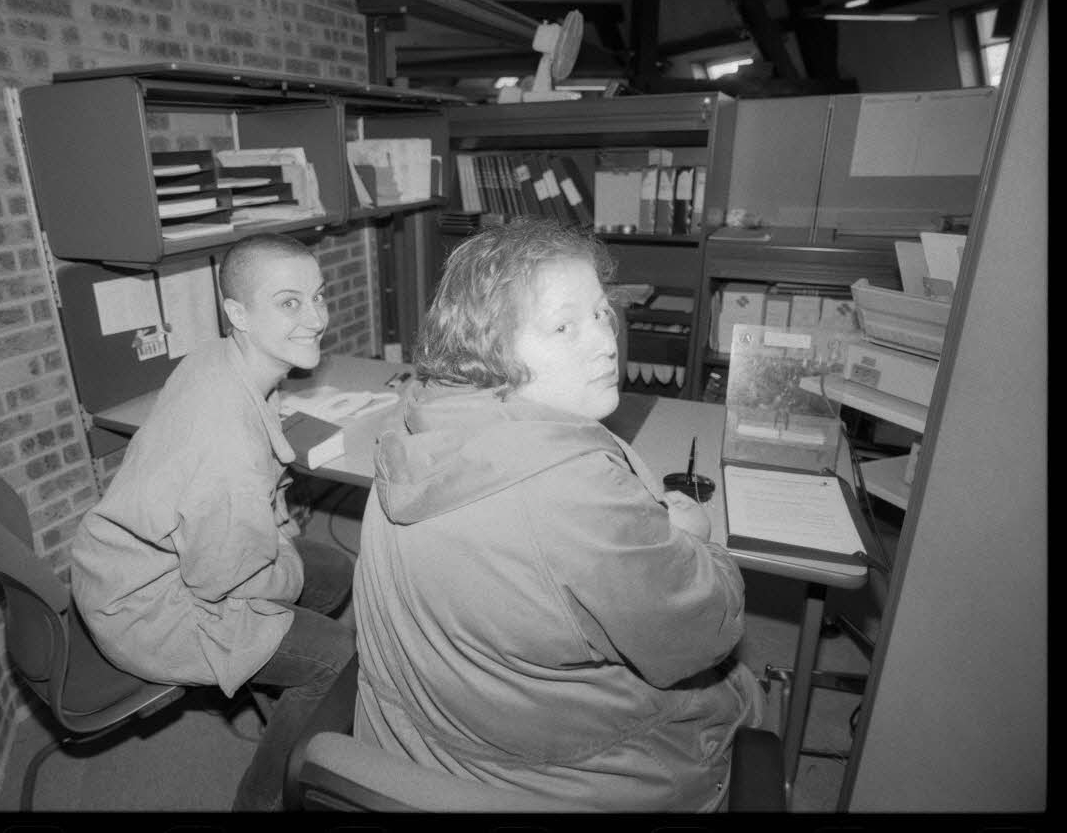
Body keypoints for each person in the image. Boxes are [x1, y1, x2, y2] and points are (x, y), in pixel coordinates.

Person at [352, 219, 765, 812]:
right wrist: (695, 540)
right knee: (744, 694)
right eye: (563, 326)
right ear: (488, 346)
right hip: (560, 783)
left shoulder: (412, 432)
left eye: (601, 313)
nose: (605, 341)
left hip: (419, 750)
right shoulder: (579, 496)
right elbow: (705, 635)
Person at [71, 233, 355, 812]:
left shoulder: (217, 358)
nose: (316, 318)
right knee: (337, 657)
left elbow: (257, 504)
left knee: (333, 571)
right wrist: (286, 563)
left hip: (129, 570)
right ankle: (263, 798)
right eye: (289, 303)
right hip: (150, 610)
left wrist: (283, 543)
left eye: (318, 296)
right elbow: (221, 580)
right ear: (238, 314)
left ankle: (277, 675)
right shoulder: (226, 443)